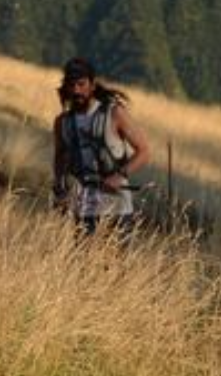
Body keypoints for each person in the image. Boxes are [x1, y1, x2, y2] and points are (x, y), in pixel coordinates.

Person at [51, 58, 152, 240]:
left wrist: (119, 175)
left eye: (81, 84)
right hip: (82, 209)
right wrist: (60, 190)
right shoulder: (62, 123)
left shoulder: (114, 114)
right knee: (85, 266)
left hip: (117, 208)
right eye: (71, 85)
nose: (76, 90)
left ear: (92, 85)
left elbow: (144, 151)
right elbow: (60, 157)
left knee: (117, 267)